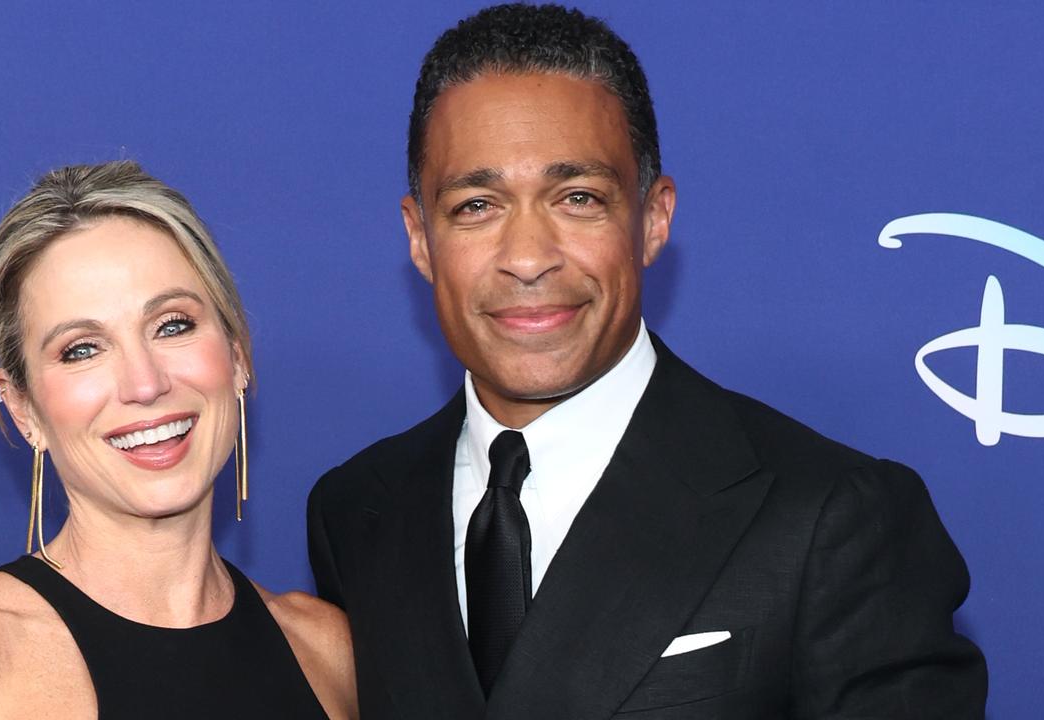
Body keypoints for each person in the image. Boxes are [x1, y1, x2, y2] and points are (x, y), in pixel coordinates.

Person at [307, 4, 986, 718]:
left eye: (578, 198)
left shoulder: (833, 519)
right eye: (477, 205)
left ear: (653, 220)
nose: (529, 257)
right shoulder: (358, 512)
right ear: (420, 238)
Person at [0, 161, 356, 719]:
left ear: (236, 355)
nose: (145, 384)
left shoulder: (328, 651)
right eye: (82, 349)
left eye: (172, 325)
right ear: (24, 409)